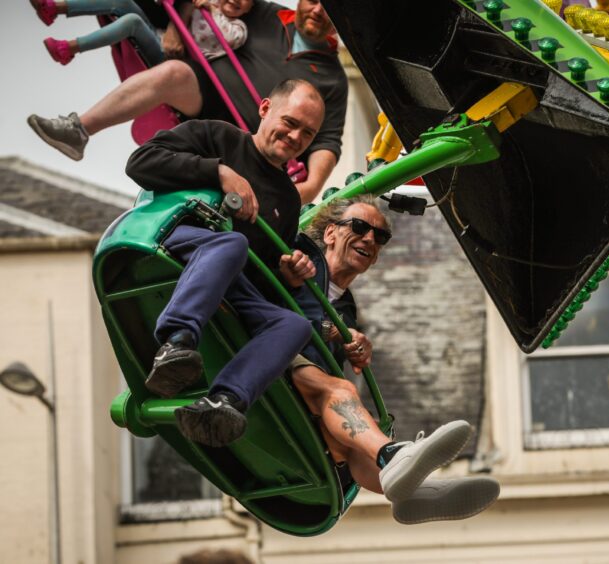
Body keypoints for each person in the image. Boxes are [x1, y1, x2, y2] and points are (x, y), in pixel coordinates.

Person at [125, 78, 324, 447]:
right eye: (290, 122)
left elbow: (258, 278)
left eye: (308, 133)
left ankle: (225, 401)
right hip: (178, 242)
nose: (295, 137)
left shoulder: (288, 199)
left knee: (295, 324)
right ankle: (176, 341)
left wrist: (287, 277)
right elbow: (141, 162)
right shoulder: (216, 136)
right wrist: (218, 172)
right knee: (231, 244)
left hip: (229, 275)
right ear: (265, 109)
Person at [287, 195, 500, 524]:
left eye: (380, 236)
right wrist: (333, 331)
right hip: (274, 359)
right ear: (330, 234)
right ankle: (392, 453)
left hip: (302, 391)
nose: (370, 238)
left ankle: (415, 494)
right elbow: (282, 315)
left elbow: (327, 349)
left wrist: (352, 345)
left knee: (350, 440)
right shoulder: (300, 262)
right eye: (359, 227)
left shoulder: (347, 309)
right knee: (339, 392)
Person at [29, 0, 346, 203]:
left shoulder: (332, 77)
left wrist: (302, 192)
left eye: (333, 8)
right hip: (203, 95)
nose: (319, 11)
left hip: (248, 142)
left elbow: (327, 143)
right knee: (173, 73)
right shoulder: (267, 13)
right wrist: (179, 26)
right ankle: (78, 130)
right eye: (316, 0)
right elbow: (208, 4)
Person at [29, 0, 192, 66]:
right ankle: (53, 8)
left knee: (132, 21)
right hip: (159, 32)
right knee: (122, 1)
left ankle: (69, 48)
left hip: (176, 54)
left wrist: (175, 28)